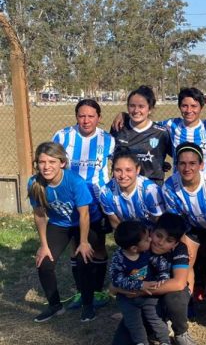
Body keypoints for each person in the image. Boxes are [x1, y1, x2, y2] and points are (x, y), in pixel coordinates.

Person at [53, 98, 115, 312]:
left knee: (97, 245)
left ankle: (97, 290)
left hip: (96, 201)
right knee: (75, 245)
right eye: (82, 116)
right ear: (76, 117)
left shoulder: (108, 140)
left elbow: (120, 165)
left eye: (91, 116)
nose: (86, 120)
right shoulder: (63, 136)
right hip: (70, 200)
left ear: (99, 118)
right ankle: (81, 291)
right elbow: (53, 163)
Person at [27, 142, 99, 323]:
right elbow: (39, 215)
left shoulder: (75, 182)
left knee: (84, 258)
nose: (46, 166)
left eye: (52, 161)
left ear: (62, 163)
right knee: (44, 262)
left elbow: (84, 214)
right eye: (42, 162)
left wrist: (83, 242)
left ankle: (88, 304)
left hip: (81, 223)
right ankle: (54, 306)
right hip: (59, 224)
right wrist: (44, 245)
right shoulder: (34, 183)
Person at [110, 213, 199, 345]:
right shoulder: (138, 245)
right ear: (151, 231)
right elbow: (113, 286)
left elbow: (179, 283)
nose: (160, 242)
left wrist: (140, 290)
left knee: (176, 296)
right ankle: (158, 323)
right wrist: (125, 288)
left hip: (162, 296)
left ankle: (181, 332)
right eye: (158, 236)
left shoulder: (180, 249)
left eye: (169, 240)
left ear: (175, 243)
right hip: (142, 302)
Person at [161, 142, 206, 300]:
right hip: (193, 226)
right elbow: (177, 220)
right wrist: (180, 247)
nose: (187, 168)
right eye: (182, 163)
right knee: (185, 259)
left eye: (192, 163)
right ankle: (187, 298)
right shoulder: (169, 187)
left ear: (201, 165)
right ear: (177, 165)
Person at [109, 221, 172, 345]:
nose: (150, 239)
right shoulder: (118, 258)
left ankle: (165, 343)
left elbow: (162, 265)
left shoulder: (148, 253)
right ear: (133, 248)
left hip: (149, 297)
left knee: (154, 319)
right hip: (127, 300)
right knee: (133, 322)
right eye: (146, 239)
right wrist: (139, 285)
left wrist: (163, 276)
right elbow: (116, 279)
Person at [110, 85, 172, 185]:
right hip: (122, 188)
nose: (136, 110)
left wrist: (160, 164)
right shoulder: (118, 127)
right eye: (132, 106)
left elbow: (177, 156)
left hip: (152, 190)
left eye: (141, 106)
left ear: (150, 109)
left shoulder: (161, 133)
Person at [99, 148, 165, 228]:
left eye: (128, 170)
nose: (123, 175)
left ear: (137, 170)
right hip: (128, 235)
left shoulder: (151, 191)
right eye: (118, 170)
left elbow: (161, 225)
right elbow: (116, 224)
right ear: (112, 170)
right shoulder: (105, 193)